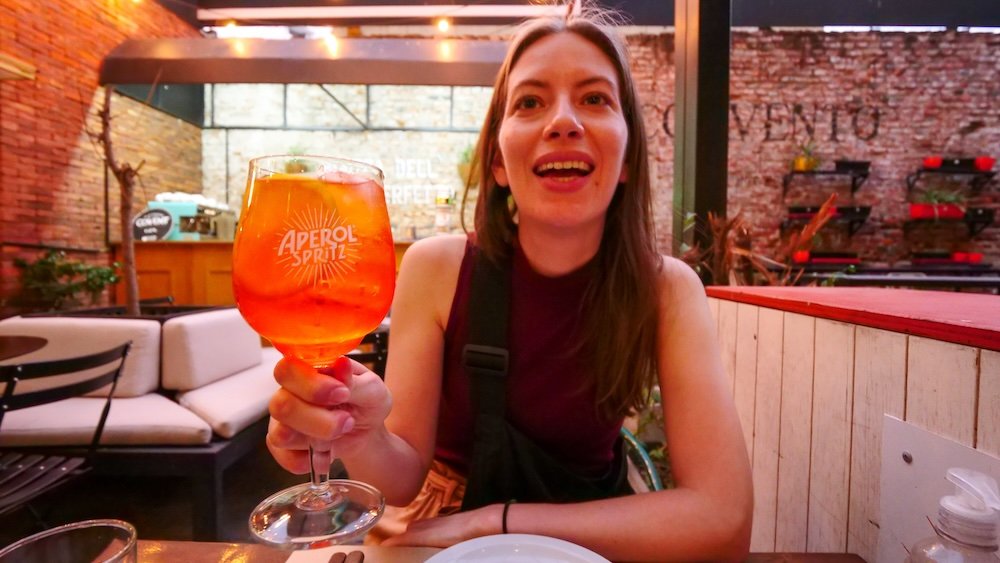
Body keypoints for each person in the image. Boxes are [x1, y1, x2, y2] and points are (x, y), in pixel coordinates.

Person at [265, 3, 754, 561]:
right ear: (498, 161)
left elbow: (725, 521)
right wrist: (362, 436)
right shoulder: (437, 268)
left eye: (594, 98)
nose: (563, 121)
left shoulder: (667, 289)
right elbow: (399, 481)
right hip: (438, 532)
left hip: (590, 532)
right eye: (530, 102)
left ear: (626, 159)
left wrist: (497, 523)